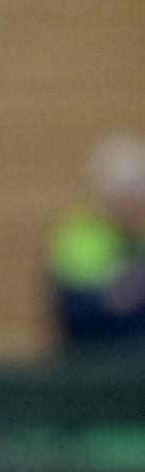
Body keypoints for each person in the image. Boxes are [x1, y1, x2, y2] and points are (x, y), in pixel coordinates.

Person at [49, 133, 145, 350]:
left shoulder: (139, 236)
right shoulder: (77, 237)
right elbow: (78, 307)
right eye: (131, 194)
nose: (138, 203)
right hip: (93, 351)